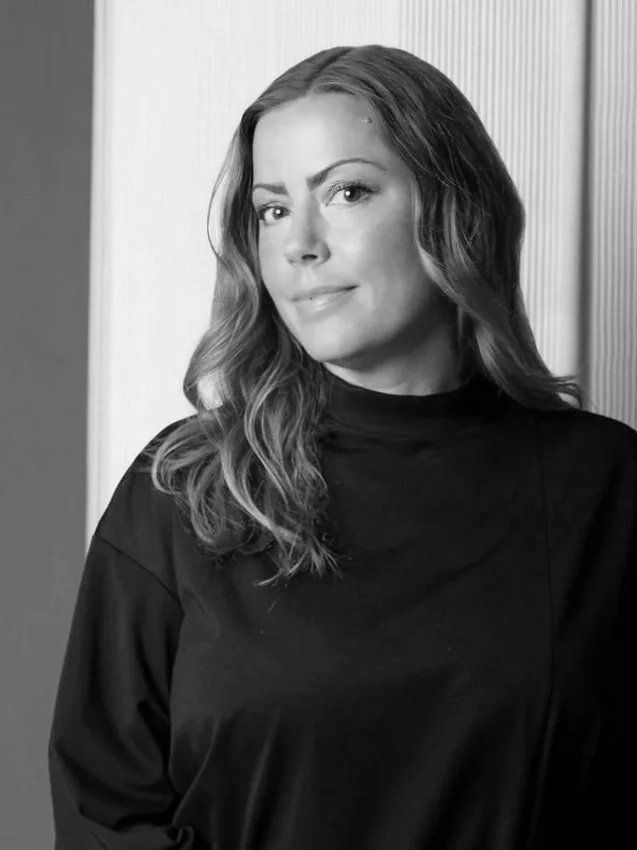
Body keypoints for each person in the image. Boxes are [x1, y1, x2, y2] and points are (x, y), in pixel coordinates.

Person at [48, 44, 637, 850]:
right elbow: (102, 815)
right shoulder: (183, 492)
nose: (300, 244)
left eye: (348, 192)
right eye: (273, 209)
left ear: (452, 207)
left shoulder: (606, 487)